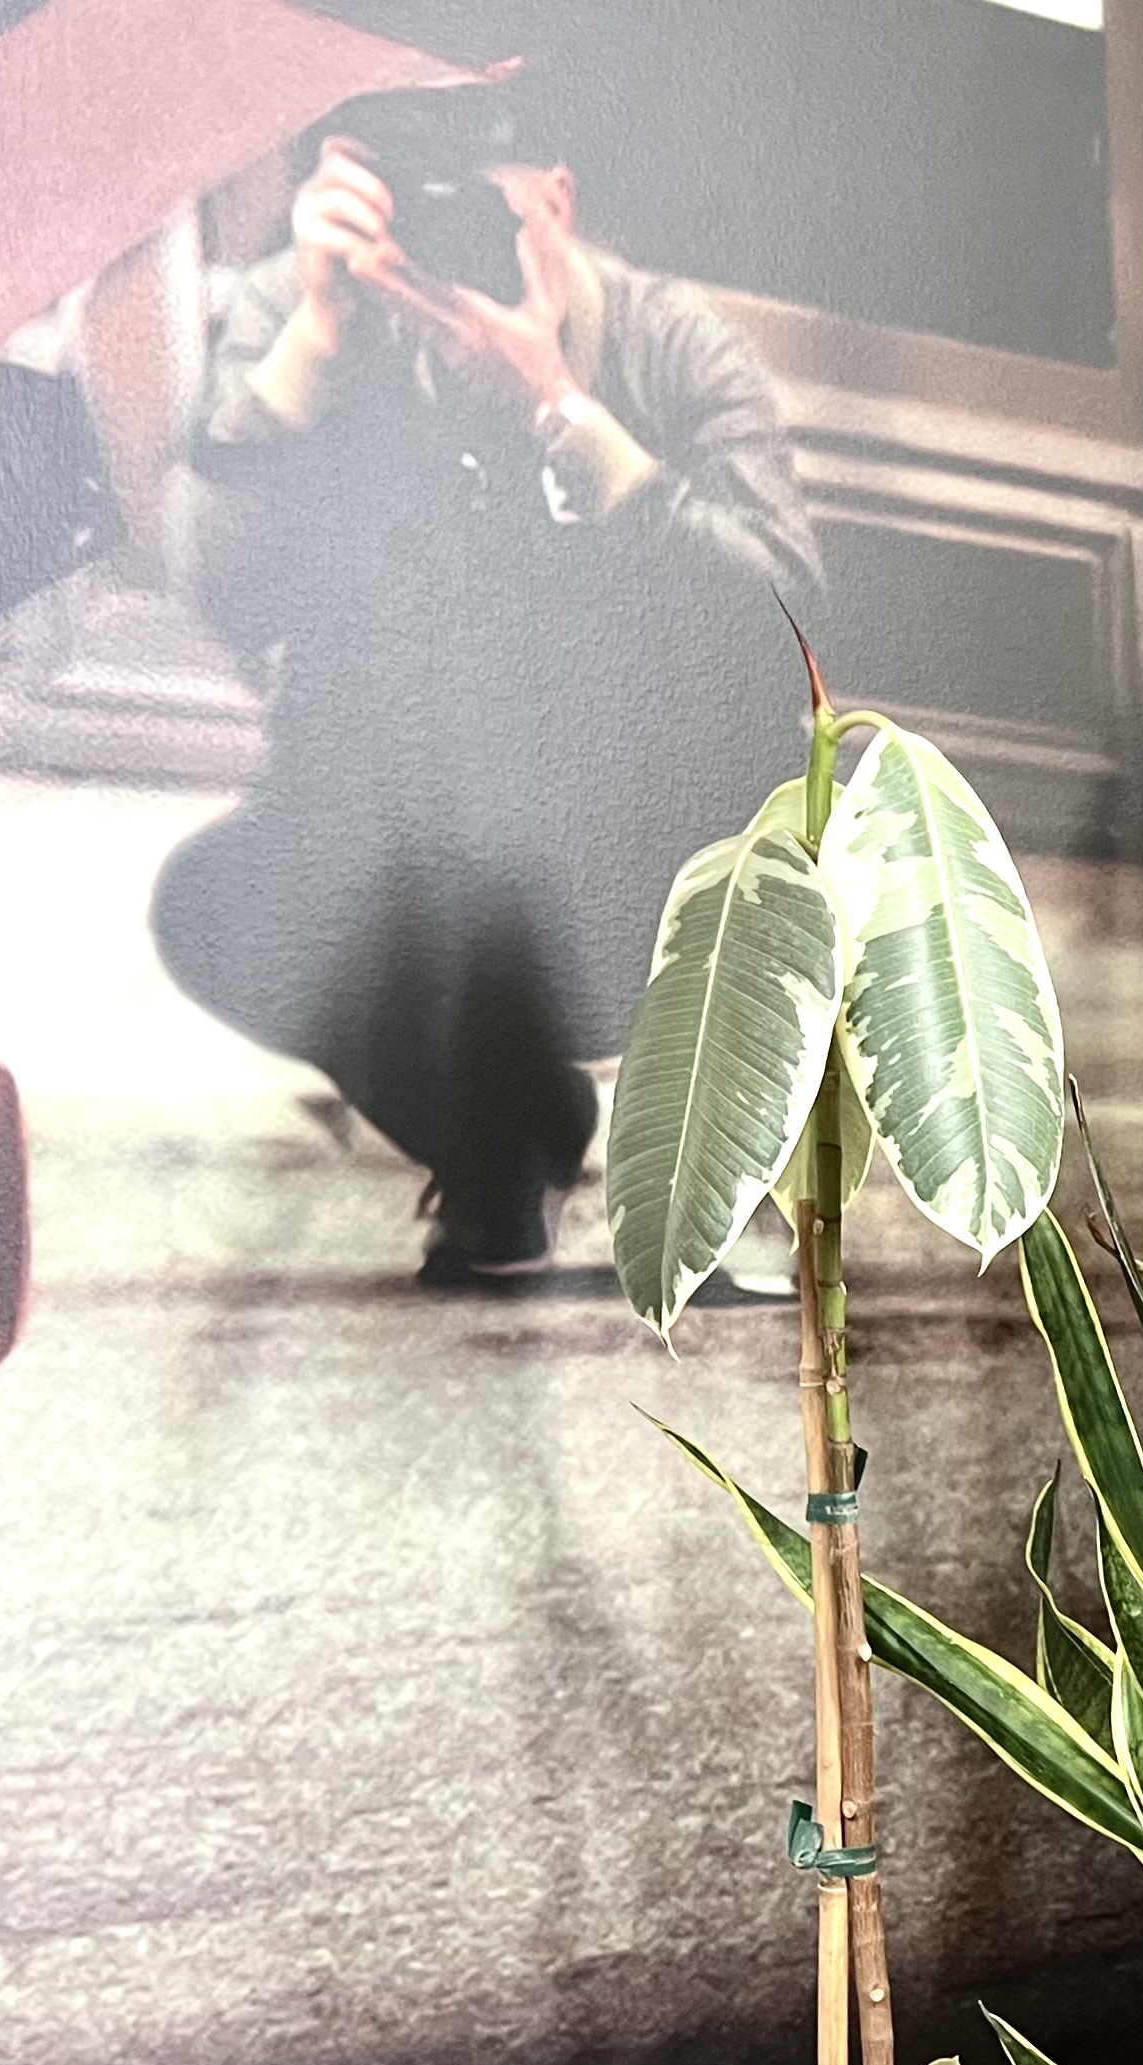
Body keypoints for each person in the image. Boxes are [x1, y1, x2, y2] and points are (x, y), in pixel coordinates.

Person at [154, 81, 820, 1285]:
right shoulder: (303, 308)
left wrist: (561, 407)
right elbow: (219, 595)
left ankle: (691, 1150)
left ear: (556, 201)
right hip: (429, 846)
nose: (445, 259)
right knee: (218, 902)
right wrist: (311, 347)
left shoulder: (663, 336)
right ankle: (504, 1141)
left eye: (482, 216)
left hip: (642, 837)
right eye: (413, 216)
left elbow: (784, 620)